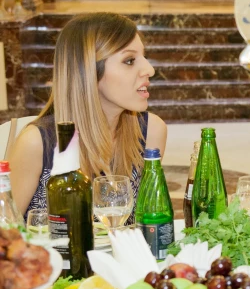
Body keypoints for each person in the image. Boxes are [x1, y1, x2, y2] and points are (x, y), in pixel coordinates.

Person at [9, 12, 167, 222]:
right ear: (88, 72)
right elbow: (5, 234)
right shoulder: (37, 143)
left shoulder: (151, 132)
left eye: (143, 57)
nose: (149, 69)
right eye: (129, 61)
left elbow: (147, 224)